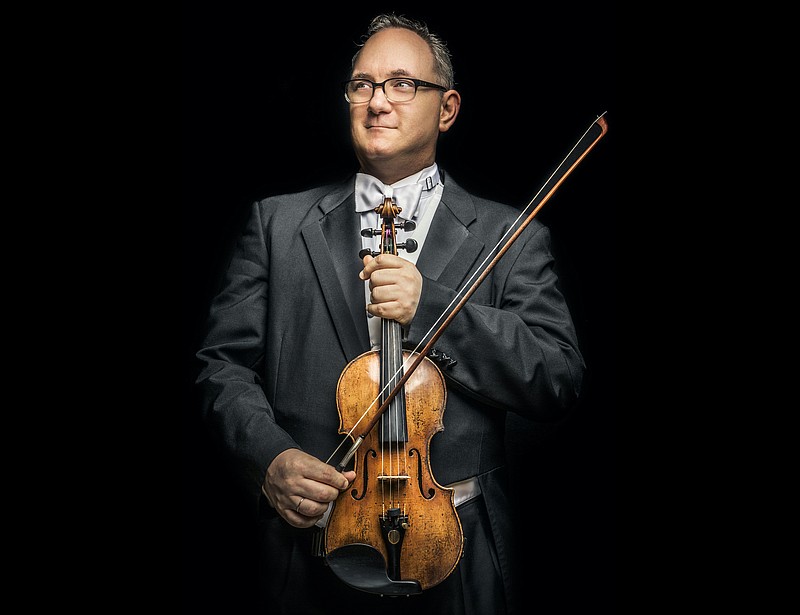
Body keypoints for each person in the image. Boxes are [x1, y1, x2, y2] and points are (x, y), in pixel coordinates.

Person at [195, 13, 585, 615]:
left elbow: (556, 378)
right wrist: (269, 457)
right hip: (310, 548)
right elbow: (222, 366)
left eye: (403, 83)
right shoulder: (275, 225)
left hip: (458, 546)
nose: (378, 101)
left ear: (447, 108)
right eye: (363, 84)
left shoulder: (512, 235)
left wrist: (432, 307)